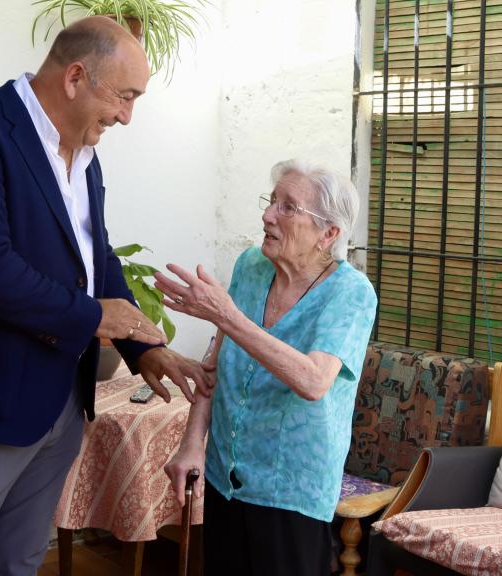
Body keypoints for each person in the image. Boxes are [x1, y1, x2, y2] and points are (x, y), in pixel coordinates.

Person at [0, 16, 206, 576]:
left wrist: (143, 348)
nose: (126, 116)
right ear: (75, 77)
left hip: (60, 406)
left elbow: (98, 261)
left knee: (18, 561)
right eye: (125, 96)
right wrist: (93, 316)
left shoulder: (84, 154)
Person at [160, 159, 378, 575]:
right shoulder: (251, 267)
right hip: (227, 477)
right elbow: (215, 364)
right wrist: (192, 444)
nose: (267, 215)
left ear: (328, 234)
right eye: (271, 201)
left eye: (288, 207)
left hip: (292, 489)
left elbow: (314, 381)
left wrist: (227, 316)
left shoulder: (350, 294)